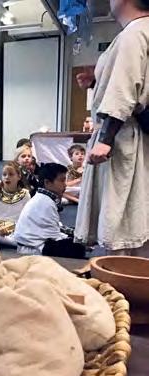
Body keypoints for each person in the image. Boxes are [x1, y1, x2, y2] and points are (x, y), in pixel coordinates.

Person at [74, 0, 149, 256]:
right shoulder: (141, 31)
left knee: (124, 221)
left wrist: (105, 140)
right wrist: (97, 82)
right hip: (133, 134)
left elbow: (125, 91)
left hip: (125, 139)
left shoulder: (134, 33)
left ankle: (125, 275)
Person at [14, 163, 85, 258]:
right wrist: (78, 240)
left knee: (76, 236)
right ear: (47, 183)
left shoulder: (43, 198)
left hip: (32, 243)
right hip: (33, 248)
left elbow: (55, 228)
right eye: (62, 180)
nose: (65, 184)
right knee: (77, 247)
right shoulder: (46, 202)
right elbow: (54, 236)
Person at [0, 161, 31, 247]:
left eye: (11, 174)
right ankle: (13, 243)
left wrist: (12, 228)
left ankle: (3, 241)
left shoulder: (25, 194)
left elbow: (26, 218)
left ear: (19, 176)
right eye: (4, 174)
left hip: (16, 229)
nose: (7, 177)